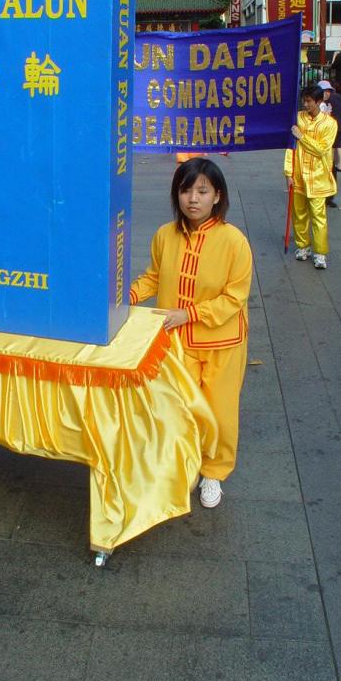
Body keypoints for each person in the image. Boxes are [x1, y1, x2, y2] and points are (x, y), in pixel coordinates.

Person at [129, 158, 253, 509]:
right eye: (185, 191)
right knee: (178, 407)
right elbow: (154, 277)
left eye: (202, 191)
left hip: (221, 343)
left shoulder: (234, 242)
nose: (193, 199)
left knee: (220, 413)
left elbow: (235, 297)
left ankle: (214, 471)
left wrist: (191, 313)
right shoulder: (165, 235)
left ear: (218, 196)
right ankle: (184, 466)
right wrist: (125, 297)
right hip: (178, 342)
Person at [285, 86, 338, 270]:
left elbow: (321, 149)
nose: (306, 104)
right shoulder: (298, 118)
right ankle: (302, 246)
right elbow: (290, 147)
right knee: (299, 214)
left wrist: (302, 137)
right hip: (299, 174)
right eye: (304, 100)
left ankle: (320, 253)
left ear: (319, 101)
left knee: (318, 216)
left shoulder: (329, 124)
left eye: (309, 101)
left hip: (318, 177)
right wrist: (288, 173)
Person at [317, 80, 341, 208]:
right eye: (324, 91)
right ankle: (323, 196)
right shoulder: (316, 105)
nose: (327, 93)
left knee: (330, 169)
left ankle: (328, 197)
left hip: (328, 142)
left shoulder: (330, 104)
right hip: (319, 145)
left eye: (328, 91)